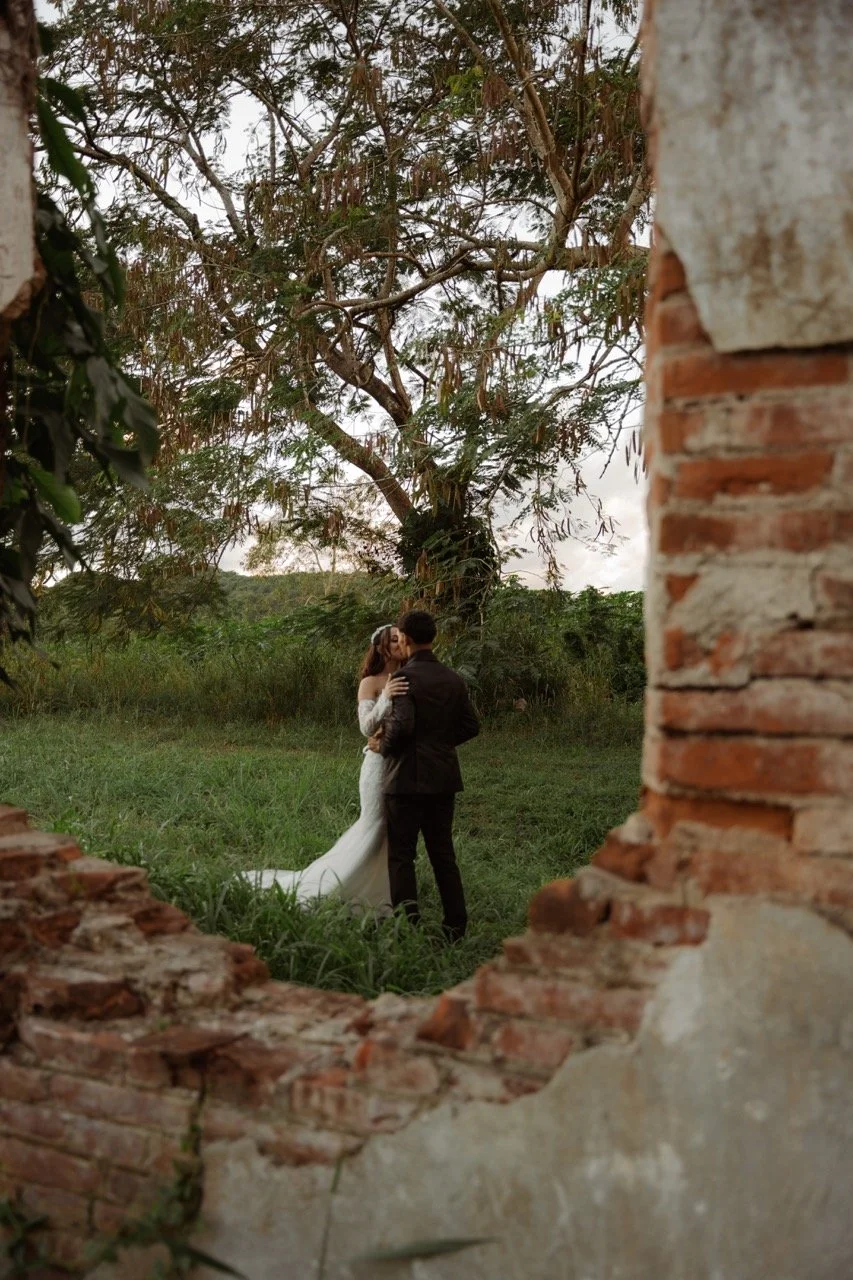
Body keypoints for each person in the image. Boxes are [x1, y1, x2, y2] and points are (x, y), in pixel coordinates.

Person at [244, 624, 408, 910]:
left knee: (395, 829)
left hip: (403, 762)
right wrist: (386, 696)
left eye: (401, 638)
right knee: (376, 823)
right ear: (382, 647)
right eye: (394, 639)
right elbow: (366, 726)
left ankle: (384, 890)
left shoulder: (411, 676)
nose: (400, 642)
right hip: (377, 764)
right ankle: (341, 885)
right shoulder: (370, 682)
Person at [368, 609, 479, 942]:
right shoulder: (453, 678)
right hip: (443, 778)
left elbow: (402, 726)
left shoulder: (404, 679)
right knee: (443, 854)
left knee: (402, 855)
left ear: (404, 638)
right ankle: (455, 927)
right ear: (434, 637)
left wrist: (381, 746)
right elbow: (471, 726)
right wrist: (440, 745)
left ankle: (407, 926)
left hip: (404, 780)